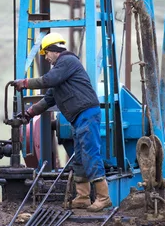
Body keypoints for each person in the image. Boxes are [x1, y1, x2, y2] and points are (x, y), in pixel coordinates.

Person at [13, 33, 112, 212]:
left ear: (52, 50)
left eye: (45, 53)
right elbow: (49, 99)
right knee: (80, 158)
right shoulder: (60, 71)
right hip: (79, 117)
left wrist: (25, 83)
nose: (46, 57)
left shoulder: (67, 61)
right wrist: (28, 114)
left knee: (91, 154)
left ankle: (103, 198)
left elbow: (48, 80)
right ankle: (82, 197)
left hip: (86, 114)